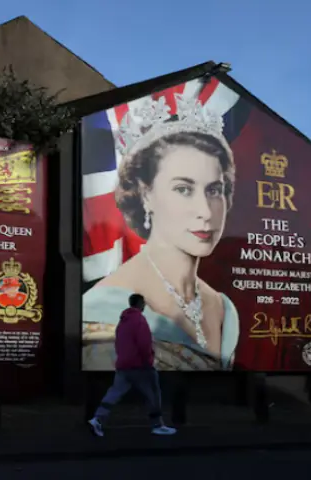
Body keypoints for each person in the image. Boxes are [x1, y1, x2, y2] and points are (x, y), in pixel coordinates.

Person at [82, 94, 240, 372]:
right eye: (183, 189)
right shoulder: (103, 307)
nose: (205, 211)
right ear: (146, 196)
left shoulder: (223, 308)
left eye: (214, 190)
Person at [88, 293, 176, 437]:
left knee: (114, 394)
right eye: (144, 303)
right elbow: (144, 344)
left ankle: (98, 418)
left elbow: (118, 343)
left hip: (123, 366)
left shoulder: (123, 321)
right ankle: (157, 425)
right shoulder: (140, 321)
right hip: (140, 366)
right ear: (141, 304)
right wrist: (149, 361)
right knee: (153, 394)